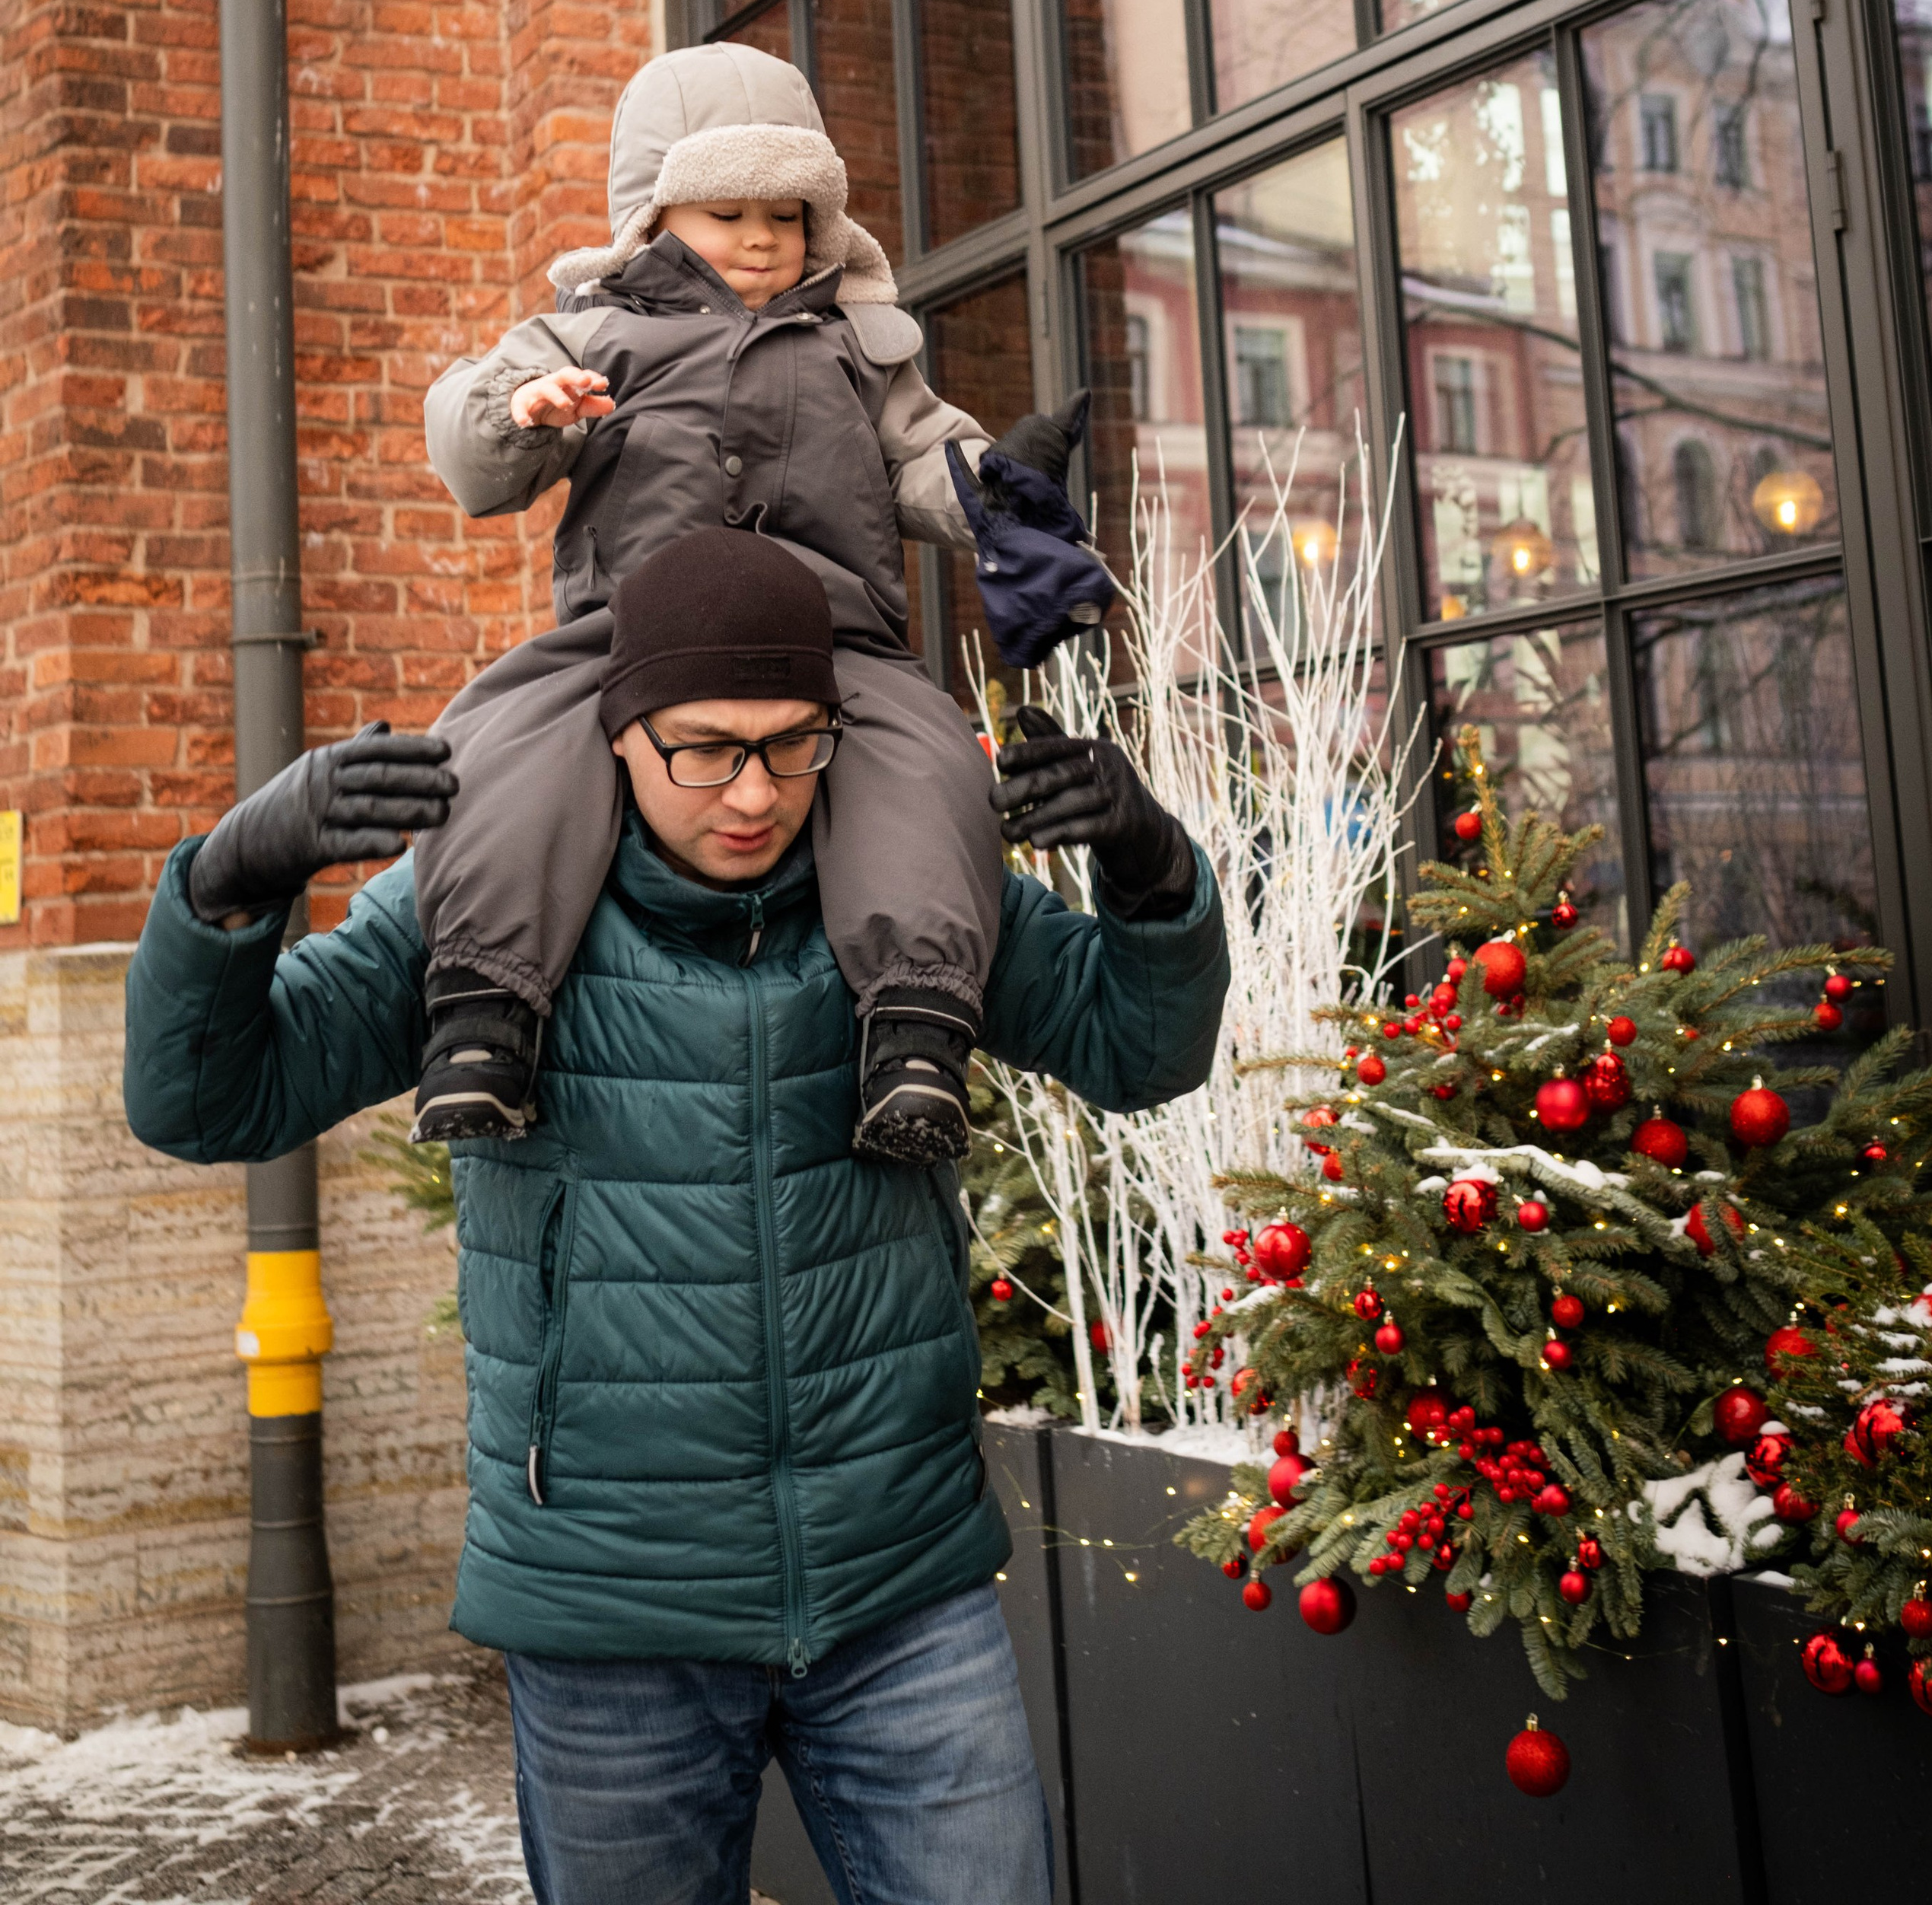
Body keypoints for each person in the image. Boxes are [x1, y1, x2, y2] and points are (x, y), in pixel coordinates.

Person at [123, 530, 1227, 1905]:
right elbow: (207, 1103)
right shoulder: (486, 916)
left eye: (794, 743)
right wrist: (229, 887)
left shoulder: (910, 887)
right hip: (608, 1615)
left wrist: (1149, 873)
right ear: (619, 733)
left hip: (900, 1589)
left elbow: (1141, 1050)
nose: (756, 793)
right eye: (704, 748)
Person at [412, 41, 1109, 1164]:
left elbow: (928, 454)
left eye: (784, 215)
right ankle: (483, 1015)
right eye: (724, 212)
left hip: (833, 645)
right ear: (652, 216)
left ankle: (919, 1035)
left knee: (924, 763)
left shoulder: (860, 347)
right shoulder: (591, 339)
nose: (758, 238)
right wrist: (521, 412)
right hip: (624, 641)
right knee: (505, 747)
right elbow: (468, 448)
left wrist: (1003, 503)